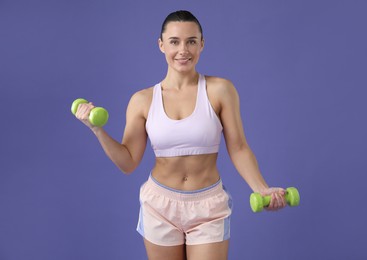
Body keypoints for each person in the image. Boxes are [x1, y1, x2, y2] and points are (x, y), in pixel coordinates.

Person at [75, 10, 286, 260]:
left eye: (191, 41)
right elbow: (128, 162)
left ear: (202, 45)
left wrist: (261, 188)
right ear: (161, 45)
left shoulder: (221, 90)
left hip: (208, 205)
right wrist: (96, 129)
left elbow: (239, 147)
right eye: (174, 42)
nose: (183, 50)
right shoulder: (142, 100)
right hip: (160, 206)